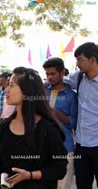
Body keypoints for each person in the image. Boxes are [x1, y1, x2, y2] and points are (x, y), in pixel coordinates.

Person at [0, 67, 68, 189]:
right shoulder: (5, 127)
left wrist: (30, 175)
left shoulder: (48, 129)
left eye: (12, 85)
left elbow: (59, 170)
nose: (6, 90)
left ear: (27, 91)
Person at [64, 42, 98, 189]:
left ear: (92, 59)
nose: (77, 64)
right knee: (82, 184)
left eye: (80, 59)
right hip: (81, 145)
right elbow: (59, 79)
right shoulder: (78, 78)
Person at [43, 58, 77, 189]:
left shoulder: (71, 96)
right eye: (47, 74)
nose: (49, 77)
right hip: (43, 146)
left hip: (64, 147)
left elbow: (74, 122)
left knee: (63, 185)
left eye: (53, 73)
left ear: (62, 73)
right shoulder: (43, 92)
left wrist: (57, 114)